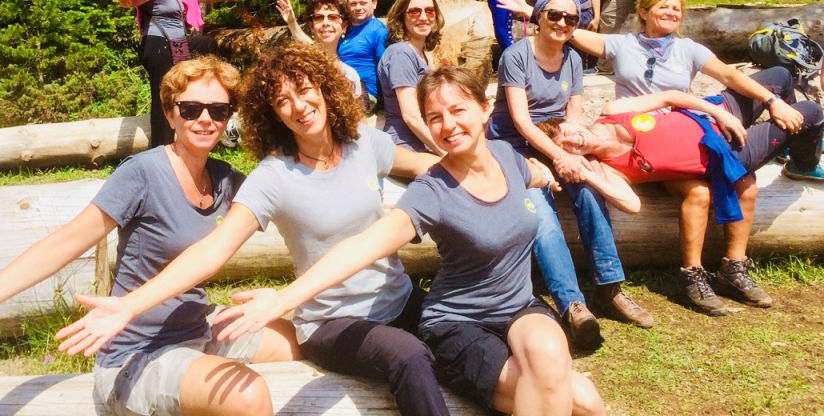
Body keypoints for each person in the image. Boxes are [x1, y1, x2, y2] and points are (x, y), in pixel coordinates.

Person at [0, 57, 298, 416]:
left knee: (294, 340)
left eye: (217, 110)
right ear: (169, 114)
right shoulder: (143, 173)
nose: (205, 119)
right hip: (138, 352)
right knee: (247, 396)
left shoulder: (224, 179)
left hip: (198, 331)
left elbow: (297, 205)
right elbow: (63, 244)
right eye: (190, 109)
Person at [54, 44, 451, 416]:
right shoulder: (272, 176)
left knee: (472, 330)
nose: (299, 106)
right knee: (409, 356)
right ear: (271, 114)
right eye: (282, 101)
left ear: (326, 89)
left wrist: (490, 165)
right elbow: (213, 250)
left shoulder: (365, 142)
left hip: (396, 297)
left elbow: (420, 165)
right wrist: (129, 304)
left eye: (304, 90)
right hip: (335, 319)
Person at [213, 66, 618, 416]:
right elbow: (365, 245)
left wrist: (547, 170)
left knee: (581, 392)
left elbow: (475, 168)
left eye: (458, 110)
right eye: (435, 117)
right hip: (365, 318)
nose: (448, 123)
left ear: (484, 109)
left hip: (440, 304)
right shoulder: (280, 175)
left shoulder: (497, 156)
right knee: (416, 357)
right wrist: (285, 300)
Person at [497, 0, 824, 314]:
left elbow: (710, 80)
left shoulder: (685, 50)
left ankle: (798, 160)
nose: (670, 13)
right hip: (667, 148)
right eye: (662, 7)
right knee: (742, 181)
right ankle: (695, 275)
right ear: (643, 12)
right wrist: (534, 13)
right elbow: (568, 33)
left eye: (676, 9)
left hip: (694, 118)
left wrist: (763, 104)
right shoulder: (619, 49)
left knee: (781, 76)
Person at [540, 85, 824, 312]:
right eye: (564, 147)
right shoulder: (606, 167)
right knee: (810, 111)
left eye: (566, 132)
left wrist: (720, 114)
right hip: (725, 154)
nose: (572, 140)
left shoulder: (612, 111)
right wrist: (588, 176)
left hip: (710, 119)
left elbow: (671, 96)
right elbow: (632, 205)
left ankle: (794, 154)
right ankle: (803, 162)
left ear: (569, 122)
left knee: (780, 78)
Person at [487, 0, 652, 347]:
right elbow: (521, 120)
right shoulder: (516, 55)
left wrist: (573, 148)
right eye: (555, 16)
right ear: (539, 17)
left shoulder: (573, 59)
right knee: (541, 210)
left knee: (589, 192)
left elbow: (573, 113)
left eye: (571, 19)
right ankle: (572, 304)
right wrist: (558, 159)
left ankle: (609, 288)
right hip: (512, 144)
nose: (562, 23)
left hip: (555, 139)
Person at [117, 0, 245, 146]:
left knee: (208, 45)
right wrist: (127, 1)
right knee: (163, 98)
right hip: (158, 46)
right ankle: (161, 149)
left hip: (177, 43)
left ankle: (213, 104)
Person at [378, 0, 446, 155]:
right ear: (402, 16)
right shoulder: (401, 53)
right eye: (414, 12)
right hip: (406, 143)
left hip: (422, 140)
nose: (423, 17)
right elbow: (411, 116)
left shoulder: (421, 53)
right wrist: (444, 152)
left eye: (430, 11)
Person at [276, 0, 363, 99]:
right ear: (312, 27)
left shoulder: (350, 76)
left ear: (344, 27)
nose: (325, 22)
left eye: (333, 17)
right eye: (319, 17)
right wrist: (292, 23)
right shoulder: (296, 68)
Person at [338, 0, 389, 110]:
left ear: (374, 3)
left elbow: (387, 68)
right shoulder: (342, 27)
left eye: (363, 3)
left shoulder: (378, 31)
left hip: (365, 95)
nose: (358, 7)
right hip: (340, 87)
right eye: (353, 3)